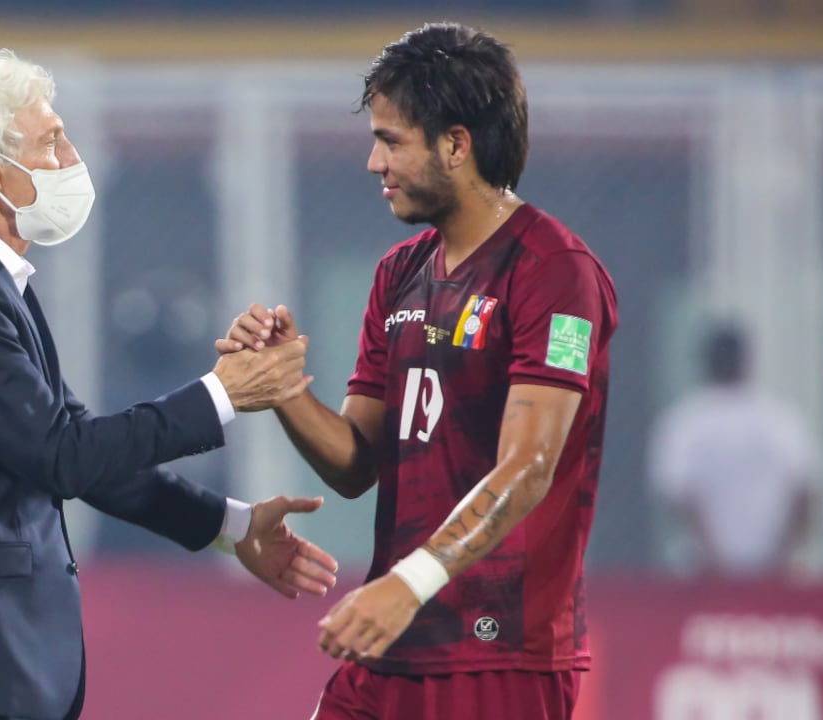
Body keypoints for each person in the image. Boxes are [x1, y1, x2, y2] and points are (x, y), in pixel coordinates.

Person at [0, 49, 338, 720]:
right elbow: (63, 456)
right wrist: (224, 393)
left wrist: (229, 527)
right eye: (51, 141)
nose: (70, 158)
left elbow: (82, 461)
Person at [218, 22, 617, 720]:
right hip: (393, 639)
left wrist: (409, 584)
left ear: (456, 145)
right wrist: (282, 387)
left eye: (392, 140)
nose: (375, 162)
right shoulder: (399, 275)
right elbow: (355, 463)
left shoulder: (557, 274)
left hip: (499, 652)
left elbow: (529, 466)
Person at [648, 322, 821, 578]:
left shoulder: (686, 421)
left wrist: (715, 556)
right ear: (748, 362)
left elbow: (680, 497)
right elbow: (805, 493)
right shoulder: (778, 418)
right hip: (763, 569)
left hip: (707, 569)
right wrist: (780, 556)